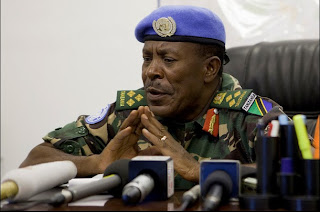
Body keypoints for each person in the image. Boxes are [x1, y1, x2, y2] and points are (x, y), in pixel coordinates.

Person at [20, 5, 284, 190]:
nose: (151, 72)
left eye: (168, 60)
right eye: (147, 58)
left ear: (210, 69)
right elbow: (35, 160)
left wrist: (197, 170)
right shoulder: (131, 115)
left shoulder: (252, 117)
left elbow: (303, 172)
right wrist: (96, 163)